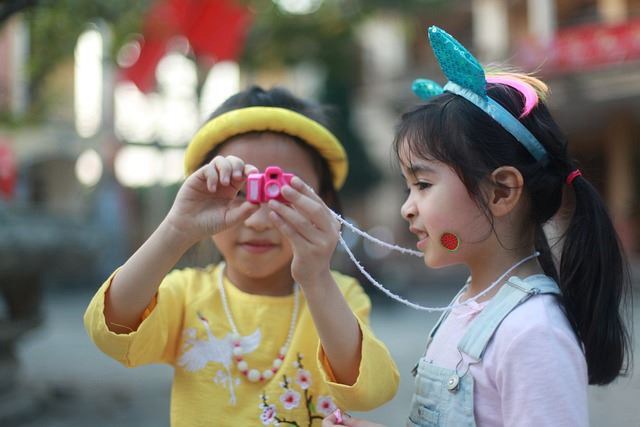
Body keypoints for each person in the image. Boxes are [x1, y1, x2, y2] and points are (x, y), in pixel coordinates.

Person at [324, 26, 631, 427]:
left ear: (501, 192)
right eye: (407, 187)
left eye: (423, 185)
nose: (406, 209)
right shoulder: (473, 302)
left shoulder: (533, 333)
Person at [84, 86, 399, 426]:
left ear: (324, 204)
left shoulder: (338, 296)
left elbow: (370, 392)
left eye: (282, 193)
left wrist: (316, 277)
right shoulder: (187, 294)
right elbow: (108, 331)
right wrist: (177, 229)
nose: (259, 220)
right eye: (238, 193)